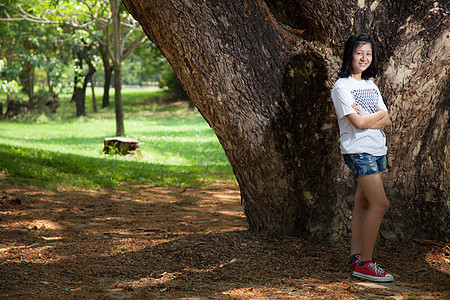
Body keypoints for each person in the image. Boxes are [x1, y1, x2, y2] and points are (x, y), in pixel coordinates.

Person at [331, 33, 394, 282]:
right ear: (350, 55)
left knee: (364, 203)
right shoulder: (342, 86)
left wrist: (370, 117)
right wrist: (374, 116)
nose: (364, 58)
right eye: (359, 53)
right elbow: (356, 122)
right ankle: (366, 264)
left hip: (378, 149)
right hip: (359, 150)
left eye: (368, 54)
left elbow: (387, 119)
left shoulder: (370, 85)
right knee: (381, 204)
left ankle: (355, 256)